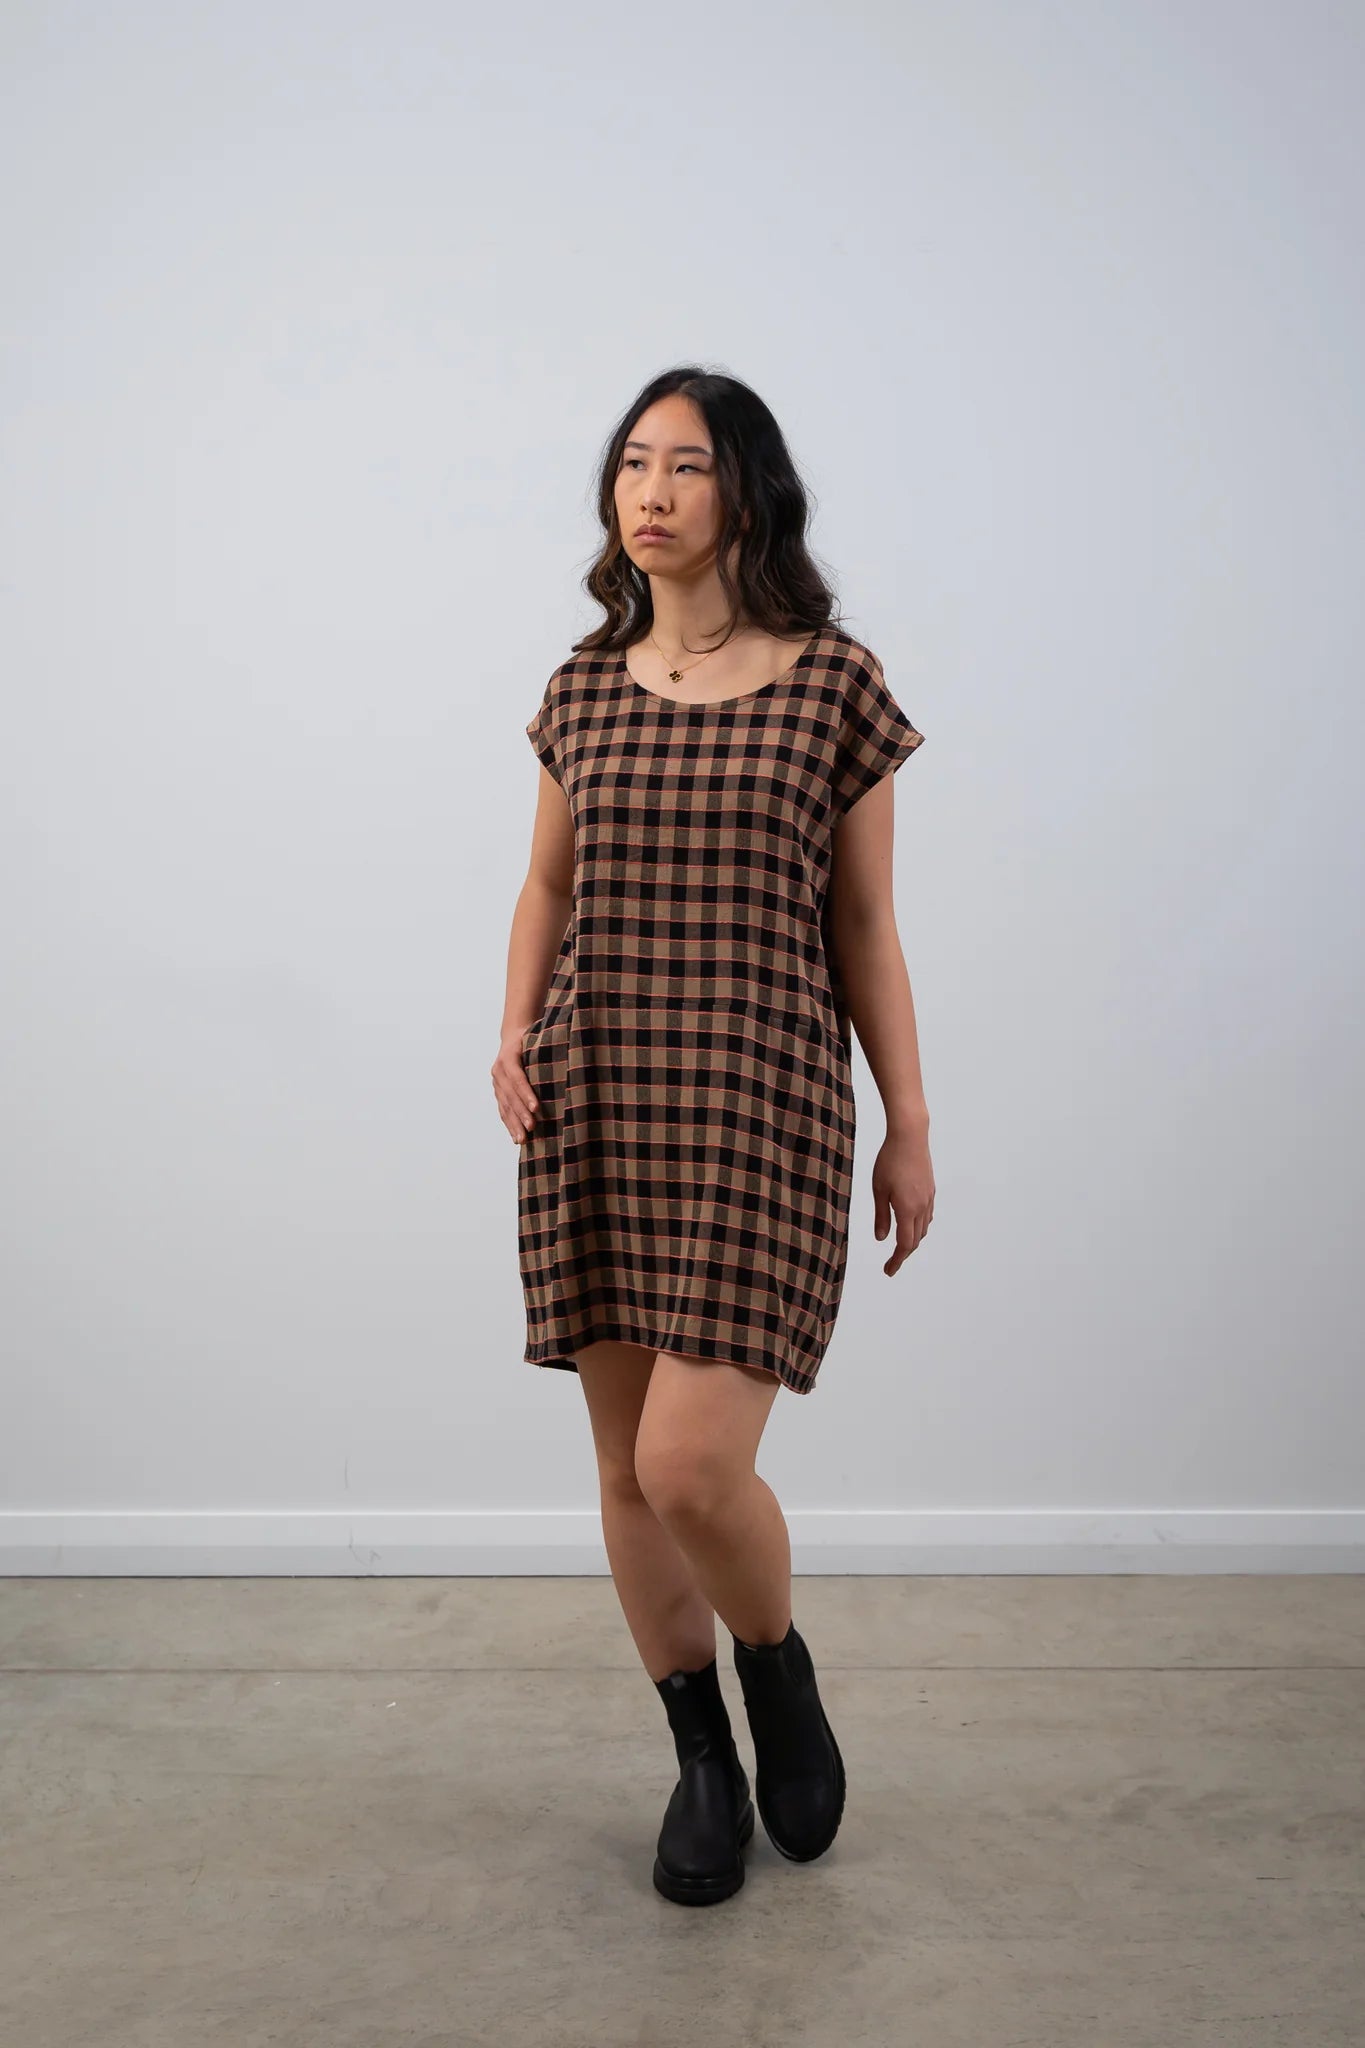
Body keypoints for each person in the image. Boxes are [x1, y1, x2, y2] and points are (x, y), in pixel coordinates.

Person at [492, 365, 934, 1906]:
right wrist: (509, 1031)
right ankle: (698, 1757)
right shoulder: (582, 687)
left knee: (691, 1467)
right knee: (622, 1468)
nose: (652, 491)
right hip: (598, 1092)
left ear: (743, 490)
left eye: (684, 464)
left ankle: (774, 1663)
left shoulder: (832, 682)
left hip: (758, 1104)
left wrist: (908, 1121)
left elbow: (866, 922)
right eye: (630, 464)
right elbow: (546, 887)